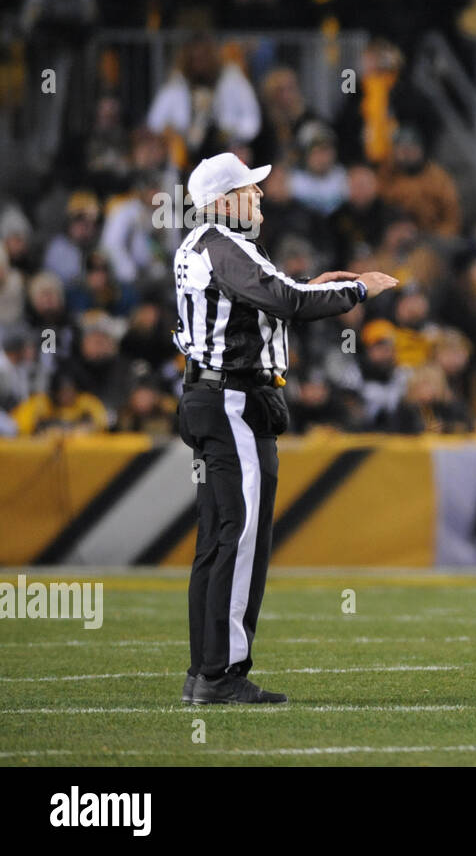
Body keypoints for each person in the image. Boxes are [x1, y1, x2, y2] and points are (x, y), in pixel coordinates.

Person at [174, 152, 397, 705]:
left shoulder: (202, 244)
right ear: (224, 201)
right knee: (241, 535)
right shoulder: (223, 243)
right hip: (233, 400)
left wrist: (311, 284)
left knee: (217, 537)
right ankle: (220, 674)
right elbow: (287, 301)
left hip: (212, 396)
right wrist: (358, 289)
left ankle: (204, 668)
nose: (260, 197)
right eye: (249, 189)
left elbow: (271, 294)